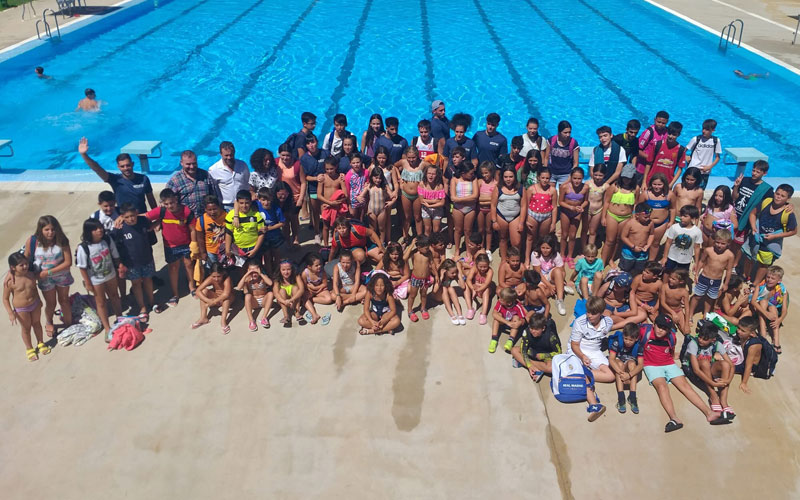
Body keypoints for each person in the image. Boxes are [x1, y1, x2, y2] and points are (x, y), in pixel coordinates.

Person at [638, 314, 729, 432]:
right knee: (662, 387)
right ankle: (674, 418)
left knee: (686, 386)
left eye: (665, 328)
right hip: (651, 365)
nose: (661, 330)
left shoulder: (671, 336)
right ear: (654, 324)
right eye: (659, 326)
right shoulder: (644, 331)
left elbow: (671, 349)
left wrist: (672, 356)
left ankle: (709, 413)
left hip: (669, 363)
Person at [22, 215, 74, 337]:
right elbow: (24, 258)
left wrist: (49, 272)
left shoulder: (62, 240)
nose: (50, 232)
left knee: (64, 300)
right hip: (44, 280)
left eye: (53, 229)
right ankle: (49, 322)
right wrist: (13, 272)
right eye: (47, 229)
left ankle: (69, 324)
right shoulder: (33, 241)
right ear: (40, 229)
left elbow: (68, 262)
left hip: (61, 276)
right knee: (51, 303)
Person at [145, 188, 197, 305]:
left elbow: (193, 229)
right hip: (170, 246)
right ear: (163, 203)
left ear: (176, 199)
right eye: (167, 204)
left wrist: (194, 243)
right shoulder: (161, 211)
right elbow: (145, 216)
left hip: (186, 244)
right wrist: (124, 217)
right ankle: (175, 293)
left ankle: (192, 287)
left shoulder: (186, 211)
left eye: (172, 203)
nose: (170, 206)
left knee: (189, 265)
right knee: (173, 268)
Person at [79, 137, 157, 214]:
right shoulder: (115, 180)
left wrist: (158, 217)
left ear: (132, 164)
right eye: (122, 166)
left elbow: (151, 200)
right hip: (123, 219)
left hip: (141, 217)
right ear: (118, 167)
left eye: (128, 165)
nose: (126, 168)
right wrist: (84, 155)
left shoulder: (143, 179)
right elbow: (97, 169)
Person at [75, 218, 122, 339]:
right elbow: (82, 267)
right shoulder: (84, 248)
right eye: (95, 229)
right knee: (101, 303)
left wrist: (119, 266)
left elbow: (115, 254)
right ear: (89, 232)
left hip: (110, 275)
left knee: (115, 296)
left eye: (100, 227)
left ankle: (120, 319)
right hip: (96, 280)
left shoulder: (107, 239)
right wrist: (88, 283)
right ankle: (107, 329)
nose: (99, 230)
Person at [112, 203, 160, 319]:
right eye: (127, 217)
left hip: (147, 258)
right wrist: (121, 264)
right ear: (122, 217)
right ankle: (142, 307)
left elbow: (151, 231)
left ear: (137, 213)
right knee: (136, 284)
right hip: (131, 263)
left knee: (148, 280)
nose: (130, 219)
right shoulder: (119, 229)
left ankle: (152, 302)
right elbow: (115, 246)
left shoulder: (144, 221)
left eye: (132, 215)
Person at [682, 322, 736, 420]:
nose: (701, 340)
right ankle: (713, 396)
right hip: (692, 369)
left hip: (707, 367)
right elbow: (696, 370)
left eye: (705, 339)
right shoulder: (693, 344)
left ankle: (723, 401)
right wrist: (713, 384)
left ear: (713, 340)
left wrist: (728, 381)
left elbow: (731, 365)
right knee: (705, 363)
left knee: (725, 364)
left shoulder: (717, 344)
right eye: (700, 336)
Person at [745, 184, 797, 285]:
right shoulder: (766, 202)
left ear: (788, 198)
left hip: (771, 242)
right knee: (749, 256)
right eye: (777, 194)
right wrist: (753, 226)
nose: (778, 197)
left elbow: (793, 231)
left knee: (764, 264)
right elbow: (753, 213)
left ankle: (755, 283)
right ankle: (746, 276)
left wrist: (775, 236)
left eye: (782, 196)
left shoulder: (788, 213)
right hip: (756, 237)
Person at [4, 253, 48, 362]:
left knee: (37, 324)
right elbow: (5, 299)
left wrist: (39, 300)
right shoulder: (10, 282)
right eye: (21, 265)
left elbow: (34, 289)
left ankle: (41, 343)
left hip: (35, 304)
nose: (25, 267)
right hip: (21, 309)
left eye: (26, 264)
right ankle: (29, 349)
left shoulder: (31, 275)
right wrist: (10, 312)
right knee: (26, 329)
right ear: (13, 268)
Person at [690, 229, 735, 319]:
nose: (719, 245)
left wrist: (726, 283)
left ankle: (706, 314)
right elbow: (702, 261)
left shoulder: (730, 255)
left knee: (710, 299)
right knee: (697, 296)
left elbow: (729, 270)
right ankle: (690, 314)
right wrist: (696, 274)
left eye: (723, 243)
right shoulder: (708, 250)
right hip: (704, 277)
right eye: (717, 242)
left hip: (716, 281)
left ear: (728, 243)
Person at [569, 296, 615, 383]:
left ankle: (579, 374)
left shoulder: (608, 322)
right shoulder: (579, 322)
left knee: (611, 376)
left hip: (595, 352)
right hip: (578, 350)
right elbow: (574, 344)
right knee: (572, 365)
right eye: (588, 312)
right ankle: (578, 373)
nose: (589, 315)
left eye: (593, 313)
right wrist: (582, 356)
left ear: (601, 313)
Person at [166, 150, 217, 219]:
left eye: (194, 163)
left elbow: (214, 195)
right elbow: (167, 201)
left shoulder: (205, 175)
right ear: (181, 163)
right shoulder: (175, 181)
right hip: (186, 220)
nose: (192, 166)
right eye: (188, 164)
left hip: (205, 218)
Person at [751, 265, 790, 354]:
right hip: (759, 308)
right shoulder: (760, 286)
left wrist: (779, 320)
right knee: (764, 302)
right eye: (768, 277)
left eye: (773, 278)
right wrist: (765, 313)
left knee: (772, 307)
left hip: (772, 310)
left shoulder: (782, 290)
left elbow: (784, 310)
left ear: (779, 281)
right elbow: (753, 301)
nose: (769, 280)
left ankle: (776, 340)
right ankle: (763, 335)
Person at [511, 313, 561, 382]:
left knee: (551, 368)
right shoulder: (526, 332)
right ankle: (536, 368)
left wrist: (543, 356)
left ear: (543, 328)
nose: (533, 331)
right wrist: (529, 366)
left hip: (546, 355)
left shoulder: (551, 336)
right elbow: (523, 350)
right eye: (531, 328)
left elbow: (558, 352)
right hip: (532, 351)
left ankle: (522, 362)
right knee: (514, 350)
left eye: (536, 329)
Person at [601, 174, 637, 266]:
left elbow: (635, 205)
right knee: (609, 240)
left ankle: (611, 259)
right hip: (612, 215)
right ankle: (602, 262)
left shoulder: (635, 189)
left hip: (626, 217)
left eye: (629, 178)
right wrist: (603, 217)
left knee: (618, 240)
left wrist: (633, 217)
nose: (626, 180)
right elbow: (607, 202)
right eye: (625, 177)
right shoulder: (615, 186)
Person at [530, 234, 571, 316]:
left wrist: (561, 279)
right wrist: (549, 285)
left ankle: (559, 300)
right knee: (541, 294)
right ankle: (559, 287)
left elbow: (562, 271)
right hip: (540, 278)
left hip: (551, 275)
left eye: (548, 248)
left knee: (558, 272)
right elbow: (538, 273)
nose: (545, 250)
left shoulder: (556, 255)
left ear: (552, 248)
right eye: (543, 248)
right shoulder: (535, 254)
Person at [225, 190, 266, 269]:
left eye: (247, 203)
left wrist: (255, 249)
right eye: (241, 203)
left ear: (250, 202)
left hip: (253, 247)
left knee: (255, 269)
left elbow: (261, 234)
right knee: (242, 271)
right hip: (238, 248)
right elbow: (228, 233)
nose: (244, 206)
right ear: (237, 203)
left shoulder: (256, 215)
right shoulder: (231, 215)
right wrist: (227, 249)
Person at [524, 169, 558, 262]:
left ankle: (541, 257)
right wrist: (526, 219)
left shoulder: (553, 190)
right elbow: (525, 205)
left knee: (543, 238)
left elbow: (554, 207)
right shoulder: (531, 189)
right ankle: (527, 258)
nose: (545, 180)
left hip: (546, 216)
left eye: (547, 178)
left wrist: (553, 223)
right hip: (532, 214)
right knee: (530, 237)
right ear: (538, 177)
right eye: (543, 177)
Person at [491, 166, 524, 262]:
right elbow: (493, 205)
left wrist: (521, 222)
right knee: (502, 239)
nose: (508, 179)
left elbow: (523, 206)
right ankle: (504, 260)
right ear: (502, 177)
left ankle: (516, 259)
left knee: (516, 242)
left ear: (515, 177)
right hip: (501, 216)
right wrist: (494, 221)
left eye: (511, 176)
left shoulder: (521, 188)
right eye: (506, 177)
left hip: (515, 217)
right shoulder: (498, 188)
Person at [608, 323, 643, 414]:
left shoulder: (639, 346)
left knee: (632, 364)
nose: (627, 342)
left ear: (636, 339)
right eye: (625, 338)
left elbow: (640, 365)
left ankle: (632, 396)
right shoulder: (617, 341)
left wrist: (629, 375)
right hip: (619, 364)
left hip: (629, 365)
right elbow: (611, 359)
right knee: (618, 363)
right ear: (623, 336)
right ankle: (621, 397)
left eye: (631, 340)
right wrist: (621, 373)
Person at [300, 134, 329, 242]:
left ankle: (327, 230)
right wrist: (316, 178)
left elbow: (331, 167)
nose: (311, 145)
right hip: (313, 189)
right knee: (315, 212)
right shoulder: (304, 159)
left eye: (313, 142)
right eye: (308, 143)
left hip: (326, 188)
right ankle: (317, 232)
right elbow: (305, 177)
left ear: (317, 142)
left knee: (326, 210)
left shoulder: (325, 153)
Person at [558, 167, 589, 266]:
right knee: (564, 235)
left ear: (583, 178)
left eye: (579, 179)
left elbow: (586, 201)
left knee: (572, 236)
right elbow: (560, 202)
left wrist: (581, 207)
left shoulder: (585, 188)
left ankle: (570, 256)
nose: (577, 181)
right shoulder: (565, 187)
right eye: (575, 178)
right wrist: (570, 207)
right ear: (571, 177)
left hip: (577, 213)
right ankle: (562, 255)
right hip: (566, 212)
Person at [208, 141, 250, 211]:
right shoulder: (213, 170)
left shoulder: (243, 165)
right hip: (227, 206)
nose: (229, 157)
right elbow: (213, 190)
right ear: (221, 154)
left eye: (231, 155)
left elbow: (248, 182)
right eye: (226, 155)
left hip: (244, 204)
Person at [192, 263, 233, 334]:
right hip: (216, 297)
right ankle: (203, 318)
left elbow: (226, 294)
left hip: (227, 299)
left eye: (218, 276)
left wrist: (213, 302)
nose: (216, 279)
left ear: (223, 273)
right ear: (210, 274)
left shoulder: (227, 279)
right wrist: (208, 300)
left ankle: (223, 322)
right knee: (204, 291)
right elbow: (198, 291)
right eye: (214, 276)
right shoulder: (210, 279)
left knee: (227, 298)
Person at [639, 173, 673, 261]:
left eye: (659, 184)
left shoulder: (669, 195)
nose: (657, 187)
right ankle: (641, 259)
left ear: (664, 184)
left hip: (662, 224)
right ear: (651, 184)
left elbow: (673, 209)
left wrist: (671, 221)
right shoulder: (646, 194)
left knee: (655, 243)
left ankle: (651, 261)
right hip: (647, 222)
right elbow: (638, 207)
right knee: (643, 241)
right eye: (654, 184)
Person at [254, 188, 287, 274]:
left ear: (272, 198)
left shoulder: (276, 209)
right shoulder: (256, 205)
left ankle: (277, 273)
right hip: (263, 237)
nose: (266, 202)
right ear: (259, 199)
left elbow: (282, 223)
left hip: (274, 236)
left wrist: (269, 228)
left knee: (276, 255)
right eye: (263, 200)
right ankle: (270, 275)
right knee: (267, 257)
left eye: (268, 200)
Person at [661, 205, 702, 273]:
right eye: (681, 215)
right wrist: (665, 257)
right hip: (672, 257)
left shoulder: (697, 232)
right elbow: (668, 242)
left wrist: (696, 262)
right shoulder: (674, 227)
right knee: (667, 273)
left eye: (685, 216)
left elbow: (697, 248)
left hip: (685, 260)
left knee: (681, 276)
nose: (681, 218)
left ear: (693, 218)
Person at [317, 156, 348, 248]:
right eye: (327, 169)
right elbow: (319, 195)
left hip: (337, 206)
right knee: (325, 227)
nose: (329, 171)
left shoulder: (340, 178)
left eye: (331, 169)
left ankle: (338, 244)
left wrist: (338, 202)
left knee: (337, 227)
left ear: (336, 167)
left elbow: (345, 194)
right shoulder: (323, 179)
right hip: (327, 206)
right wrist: (330, 203)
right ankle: (326, 246)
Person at [643, 121, 685, 187]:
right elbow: (648, 163)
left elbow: (680, 169)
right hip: (651, 181)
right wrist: (644, 182)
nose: (671, 136)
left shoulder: (681, 150)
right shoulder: (657, 145)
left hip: (667, 183)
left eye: (674, 135)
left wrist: (671, 184)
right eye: (669, 133)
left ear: (678, 135)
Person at [236, 259, 274, 330]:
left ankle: (264, 318)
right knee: (247, 296)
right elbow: (238, 287)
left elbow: (270, 283)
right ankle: (251, 321)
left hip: (263, 301)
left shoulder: (263, 277)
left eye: (255, 271)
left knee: (270, 294)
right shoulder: (247, 279)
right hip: (254, 302)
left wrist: (261, 274)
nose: (254, 273)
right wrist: (247, 274)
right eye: (251, 271)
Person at [450, 161, 479, 253]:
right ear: (463, 173)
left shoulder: (474, 179)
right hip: (458, 209)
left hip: (470, 209)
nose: (472, 174)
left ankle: (468, 250)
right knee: (458, 230)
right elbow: (453, 197)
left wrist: (459, 199)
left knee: (468, 231)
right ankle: (457, 249)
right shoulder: (455, 180)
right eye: (470, 173)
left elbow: (475, 196)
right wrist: (468, 199)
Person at [731, 316, 765, 393]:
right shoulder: (744, 335)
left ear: (752, 334)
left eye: (742, 330)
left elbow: (748, 366)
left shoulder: (753, 346)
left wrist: (744, 383)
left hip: (748, 365)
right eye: (738, 328)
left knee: (728, 367)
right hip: (742, 356)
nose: (739, 331)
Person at [618, 203, 654, 275]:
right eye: (645, 217)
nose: (648, 219)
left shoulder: (650, 223)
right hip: (629, 252)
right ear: (637, 215)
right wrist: (633, 246)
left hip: (642, 253)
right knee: (625, 269)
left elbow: (651, 234)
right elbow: (623, 236)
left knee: (639, 271)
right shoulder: (630, 223)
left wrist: (648, 245)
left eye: (649, 217)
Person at [635, 110, 670, 186]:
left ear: (667, 122)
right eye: (658, 122)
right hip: (642, 168)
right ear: (655, 120)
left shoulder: (667, 133)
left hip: (655, 169)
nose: (660, 124)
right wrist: (650, 158)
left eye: (663, 123)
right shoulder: (649, 132)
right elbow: (637, 150)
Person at [685, 119, 721, 189]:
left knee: (700, 190)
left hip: (705, 171)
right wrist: (685, 156)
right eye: (703, 128)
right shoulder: (696, 139)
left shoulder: (716, 141)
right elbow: (684, 150)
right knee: (688, 189)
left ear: (713, 130)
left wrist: (709, 167)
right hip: (693, 170)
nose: (703, 131)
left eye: (707, 129)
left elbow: (717, 157)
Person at [490, 287, 526, 354]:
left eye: (501, 299)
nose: (499, 299)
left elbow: (523, 319)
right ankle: (494, 339)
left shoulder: (518, 306)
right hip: (503, 322)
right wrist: (507, 322)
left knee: (516, 318)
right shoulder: (500, 303)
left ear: (509, 303)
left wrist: (519, 322)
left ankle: (510, 340)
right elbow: (494, 314)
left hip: (512, 324)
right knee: (497, 318)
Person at [406, 236, 434, 322]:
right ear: (419, 247)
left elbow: (432, 265)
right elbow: (404, 258)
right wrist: (411, 245)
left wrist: (436, 275)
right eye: (426, 248)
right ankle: (410, 311)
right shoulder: (414, 253)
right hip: (415, 278)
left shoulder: (429, 254)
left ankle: (423, 308)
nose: (428, 249)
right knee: (412, 295)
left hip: (425, 279)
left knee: (424, 294)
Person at [195, 195, 227, 268]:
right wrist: (203, 252)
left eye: (215, 209)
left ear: (219, 207)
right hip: (211, 251)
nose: (212, 212)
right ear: (205, 209)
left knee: (225, 270)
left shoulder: (226, 216)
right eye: (210, 210)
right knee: (213, 271)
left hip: (224, 251)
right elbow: (200, 238)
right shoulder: (201, 220)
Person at [300, 253, 332, 326]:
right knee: (304, 297)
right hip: (309, 291)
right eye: (316, 265)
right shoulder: (305, 274)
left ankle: (311, 300)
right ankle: (314, 315)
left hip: (320, 289)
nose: (319, 267)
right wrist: (310, 290)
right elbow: (304, 286)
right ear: (309, 267)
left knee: (329, 299)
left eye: (320, 264)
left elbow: (324, 284)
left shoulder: (322, 272)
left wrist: (315, 288)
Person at [273, 259, 304, 327]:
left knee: (296, 288)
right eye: (283, 270)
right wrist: (284, 301)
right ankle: (286, 316)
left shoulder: (296, 275)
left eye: (288, 269)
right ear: (280, 270)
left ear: (292, 269)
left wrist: (291, 300)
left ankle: (297, 312)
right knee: (282, 291)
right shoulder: (277, 278)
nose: (286, 272)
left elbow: (301, 290)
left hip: (294, 299)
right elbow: (276, 293)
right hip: (283, 300)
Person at [547, 120, 579, 185]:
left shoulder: (573, 143)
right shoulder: (551, 140)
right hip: (551, 172)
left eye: (569, 132)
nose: (568, 135)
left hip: (566, 174)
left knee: (563, 193)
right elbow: (546, 158)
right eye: (565, 132)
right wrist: (545, 172)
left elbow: (576, 163)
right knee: (550, 192)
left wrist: (571, 176)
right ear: (559, 132)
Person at [417, 163, 446, 236]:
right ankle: (427, 244)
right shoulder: (422, 184)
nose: (431, 175)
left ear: (437, 175)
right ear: (425, 174)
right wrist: (435, 201)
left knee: (436, 229)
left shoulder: (439, 186)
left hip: (437, 210)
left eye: (433, 174)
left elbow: (442, 202)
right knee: (427, 228)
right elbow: (421, 200)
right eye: (429, 173)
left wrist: (430, 204)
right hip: (426, 209)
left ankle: (435, 244)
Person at [660, 269, 691, 335]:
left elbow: (687, 308)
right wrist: (672, 313)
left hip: (678, 311)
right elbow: (662, 303)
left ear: (681, 281)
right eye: (670, 277)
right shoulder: (665, 287)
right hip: (667, 311)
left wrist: (687, 324)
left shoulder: (684, 292)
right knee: (666, 329)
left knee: (686, 332)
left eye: (673, 279)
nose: (670, 279)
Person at [584, 165, 608, 248]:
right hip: (587, 210)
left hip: (598, 210)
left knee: (592, 231)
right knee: (584, 230)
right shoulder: (588, 183)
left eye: (600, 175)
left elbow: (605, 201)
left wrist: (604, 216)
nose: (597, 177)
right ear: (592, 173)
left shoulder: (605, 186)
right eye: (596, 175)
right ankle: (583, 247)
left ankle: (590, 249)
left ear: (604, 175)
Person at [466, 253, 493, 325]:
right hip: (475, 288)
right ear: (476, 264)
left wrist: (477, 290)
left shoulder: (490, 271)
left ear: (488, 264)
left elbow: (486, 284)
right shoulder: (474, 268)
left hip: (484, 289)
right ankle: (470, 309)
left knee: (486, 290)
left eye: (485, 266)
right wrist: (472, 289)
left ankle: (483, 314)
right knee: (466, 286)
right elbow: (468, 279)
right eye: (480, 266)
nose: (483, 269)